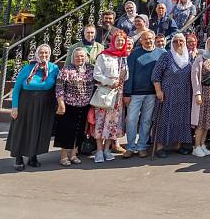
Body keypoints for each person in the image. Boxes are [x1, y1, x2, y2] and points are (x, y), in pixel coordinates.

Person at [6, 44, 59, 171]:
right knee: (22, 129)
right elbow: (17, 88)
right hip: (26, 103)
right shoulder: (28, 68)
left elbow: (58, 87)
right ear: (36, 54)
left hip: (44, 104)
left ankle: (32, 156)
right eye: (41, 53)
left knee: (38, 130)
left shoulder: (53, 68)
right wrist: (14, 107)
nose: (44, 55)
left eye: (46, 53)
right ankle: (18, 157)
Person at [152, 33, 194, 157]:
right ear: (171, 43)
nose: (178, 43)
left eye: (181, 41)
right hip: (167, 94)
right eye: (175, 41)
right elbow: (155, 76)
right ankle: (160, 146)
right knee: (164, 119)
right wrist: (158, 91)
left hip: (185, 95)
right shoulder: (166, 56)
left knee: (182, 119)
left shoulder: (189, 58)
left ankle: (178, 144)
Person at [123, 30, 163, 158]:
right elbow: (129, 75)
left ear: (154, 39)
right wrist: (127, 93)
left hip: (152, 94)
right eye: (145, 39)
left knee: (146, 121)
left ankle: (142, 146)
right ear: (141, 41)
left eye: (151, 38)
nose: (149, 41)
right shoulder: (134, 54)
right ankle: (130, 146)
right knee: (131, 120)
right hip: (135, 93)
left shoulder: (162, 53)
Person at [91, 31, 130, 163]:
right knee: (100, 122)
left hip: (117, 95)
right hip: (105, 92)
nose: (120, 43)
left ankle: (107, 149)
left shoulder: (124, 57)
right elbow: (97, 74)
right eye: (118, 40)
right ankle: (99, 150)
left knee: (112, 123)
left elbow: (126, 76)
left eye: (123, 40)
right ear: (113, 41)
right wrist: (110, 81)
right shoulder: (104, 56)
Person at [54, 47, 94, 166]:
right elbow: (59, 87)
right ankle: (64, 156)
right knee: (66, 131)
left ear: (85, 57)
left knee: (79, 131)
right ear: (73, 57)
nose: (79, 58)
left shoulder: (90, 69)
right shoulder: (66, 69)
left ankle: (73, 154)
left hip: (85, 106)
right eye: (77, 56)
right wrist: (61, 103)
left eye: (82, 56)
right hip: (69, 105)